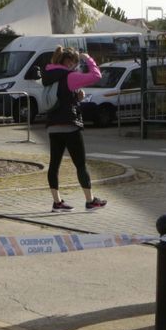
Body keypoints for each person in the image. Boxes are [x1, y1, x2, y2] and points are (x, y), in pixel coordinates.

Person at [40, 45, 107, 212]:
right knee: (80, 165)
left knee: (54, 165)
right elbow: (96, 75)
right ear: (69, 62)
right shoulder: (69, 76)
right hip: (69, 126)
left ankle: (57, 202)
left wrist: (76, 97)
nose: (76, 66)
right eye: (75, 62)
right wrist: (87, 58)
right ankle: (90, 201)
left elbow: (59, 97)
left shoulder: (48, 75)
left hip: (53, 126)